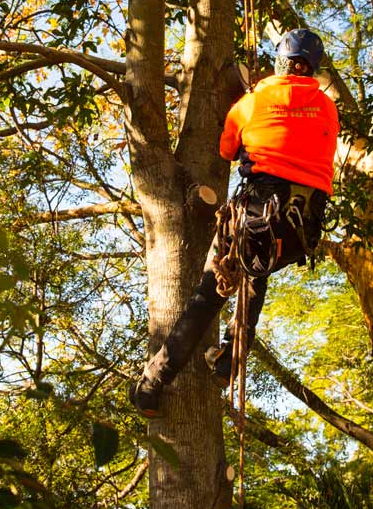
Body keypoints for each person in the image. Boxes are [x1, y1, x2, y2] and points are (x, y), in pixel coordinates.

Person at [129, 28, 339, 417]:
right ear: (313, 67)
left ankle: (152, 384)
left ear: (281, 58)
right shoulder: (328, 108)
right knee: (255, 280)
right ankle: (227, 363)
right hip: (301, 226)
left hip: (259, 210)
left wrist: (252, 123)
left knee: (210, 294)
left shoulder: (252, 101)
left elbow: (226, 150)